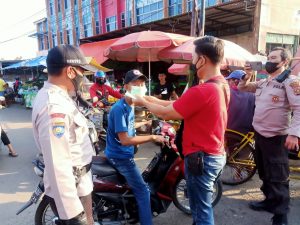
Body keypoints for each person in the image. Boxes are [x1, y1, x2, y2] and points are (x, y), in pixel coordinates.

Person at [133, 36, 229, 225]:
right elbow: (175, 104)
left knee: (201, 212)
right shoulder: (221, 85)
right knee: (200, 207)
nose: (192, 63)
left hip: (202, 158)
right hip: (212, 154)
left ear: (202, 59)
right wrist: (148, 99)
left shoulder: (203, 90)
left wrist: (142, 101)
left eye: (193, 58)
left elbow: (167, 113)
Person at [32, 45, 95, 225]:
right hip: (72, 190)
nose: (83, 77)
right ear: (70, 71)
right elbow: (57, 165)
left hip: (80, 183)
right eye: (82, 71)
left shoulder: (61, 96)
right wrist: (75, 215)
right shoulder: (54, 107)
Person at [238, 47, 300, 225]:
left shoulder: (291, 82)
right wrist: (247, 75)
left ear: (284, 62)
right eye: (268, 57)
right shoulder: (265, 82)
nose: (269, 61)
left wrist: (295, 135)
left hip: (277, 137)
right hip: (260, 134)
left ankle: (281, 217)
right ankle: (269, 201)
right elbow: (243, 88)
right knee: (264, 171)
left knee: (278, 176)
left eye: (274, 58)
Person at [105, 69, 165, 225]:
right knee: (143, 191)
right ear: (126, 87)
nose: (140, 86)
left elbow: (127, 128)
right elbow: (125, 140)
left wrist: (145, 123)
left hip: (123, 154)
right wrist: (152, 137)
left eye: (142, 83)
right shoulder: (120, 109)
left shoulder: (129, 104)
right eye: (135, 84)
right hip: (121, 157)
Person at [226, 70, 255, 134]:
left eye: (229, 80)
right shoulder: (253, 95)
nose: (227, 82)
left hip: (228, 132)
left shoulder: (227, 93)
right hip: (246, 135)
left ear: (235, 81)